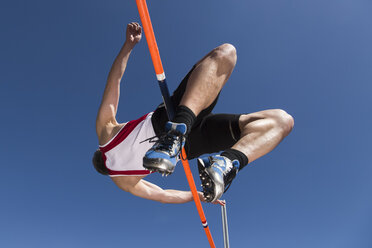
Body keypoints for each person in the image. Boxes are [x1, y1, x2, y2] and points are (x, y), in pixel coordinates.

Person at [93, 22, 294, 204]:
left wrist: (197, 197)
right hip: (167, 122)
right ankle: (226, 161)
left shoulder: (122, 182)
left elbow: (163, 195)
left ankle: (181, 135)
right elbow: (114, 84)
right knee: (226, 54)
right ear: (99, 152)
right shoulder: (105, 134)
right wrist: (128, 47)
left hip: (187, 144)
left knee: (282, 121)